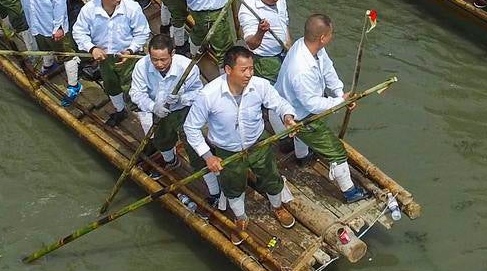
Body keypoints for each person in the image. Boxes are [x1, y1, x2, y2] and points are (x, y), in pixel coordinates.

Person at [184, 45, 298, 244]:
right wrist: (208, 156)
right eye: (243, 70)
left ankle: (277, 207)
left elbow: (278, 103)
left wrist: (288, 117)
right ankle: (240, 218)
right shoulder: (209, 95)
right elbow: (191, 128)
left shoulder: (259, 86)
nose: (249, 74)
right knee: (233, 187)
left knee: (271, 176)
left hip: (258, 144)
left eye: (251, 69)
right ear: (228, 70)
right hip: (228, 151)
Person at [272, 14, 369, 201]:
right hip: (296, 116)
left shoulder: (308, 46)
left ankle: (302, 156)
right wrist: (341, 103)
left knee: (305, 136)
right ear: (323, 38)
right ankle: (349, 192)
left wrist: (340, 93)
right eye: (330, 34)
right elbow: (312, 104)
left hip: (298, 108)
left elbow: (328, 69)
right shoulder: (301, 69)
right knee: (337, 151)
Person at [72, 0, 151, 125]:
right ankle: (120, 111)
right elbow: (79, 32)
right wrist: (92, 48)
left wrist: (131, 51)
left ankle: (147, 125)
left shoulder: (132, 8)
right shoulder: (89, 10)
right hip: (105, 57)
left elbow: (142, 32)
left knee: (134, 90)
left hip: (128, 57)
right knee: (111, 84)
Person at [16, 0, 80, 103]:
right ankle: (49, 65)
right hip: (36, 22)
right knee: (44, 47)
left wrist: (58, 27)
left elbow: (60, 3)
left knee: (66, 55)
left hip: (54, 27)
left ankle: (74, 86)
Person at [128, 33, 203, 169]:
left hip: (183, 110)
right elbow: (136, 93)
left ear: (172, 53)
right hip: (159, 111)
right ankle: (171, 161)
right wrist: (153, 106)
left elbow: (199, 93)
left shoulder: (187, 67)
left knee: (193, 144)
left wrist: (182, 97)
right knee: (161, 140)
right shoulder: (141, 66)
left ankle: (210, 183)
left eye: (163, 60)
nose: (159, 64)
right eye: (154, 60)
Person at [237, 0, 291, 78]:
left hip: (284, 52)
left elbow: (284, 21)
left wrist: (289, 44)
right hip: (266, 60)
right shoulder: (248, 10)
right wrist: (260, 32)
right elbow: (251, 45)